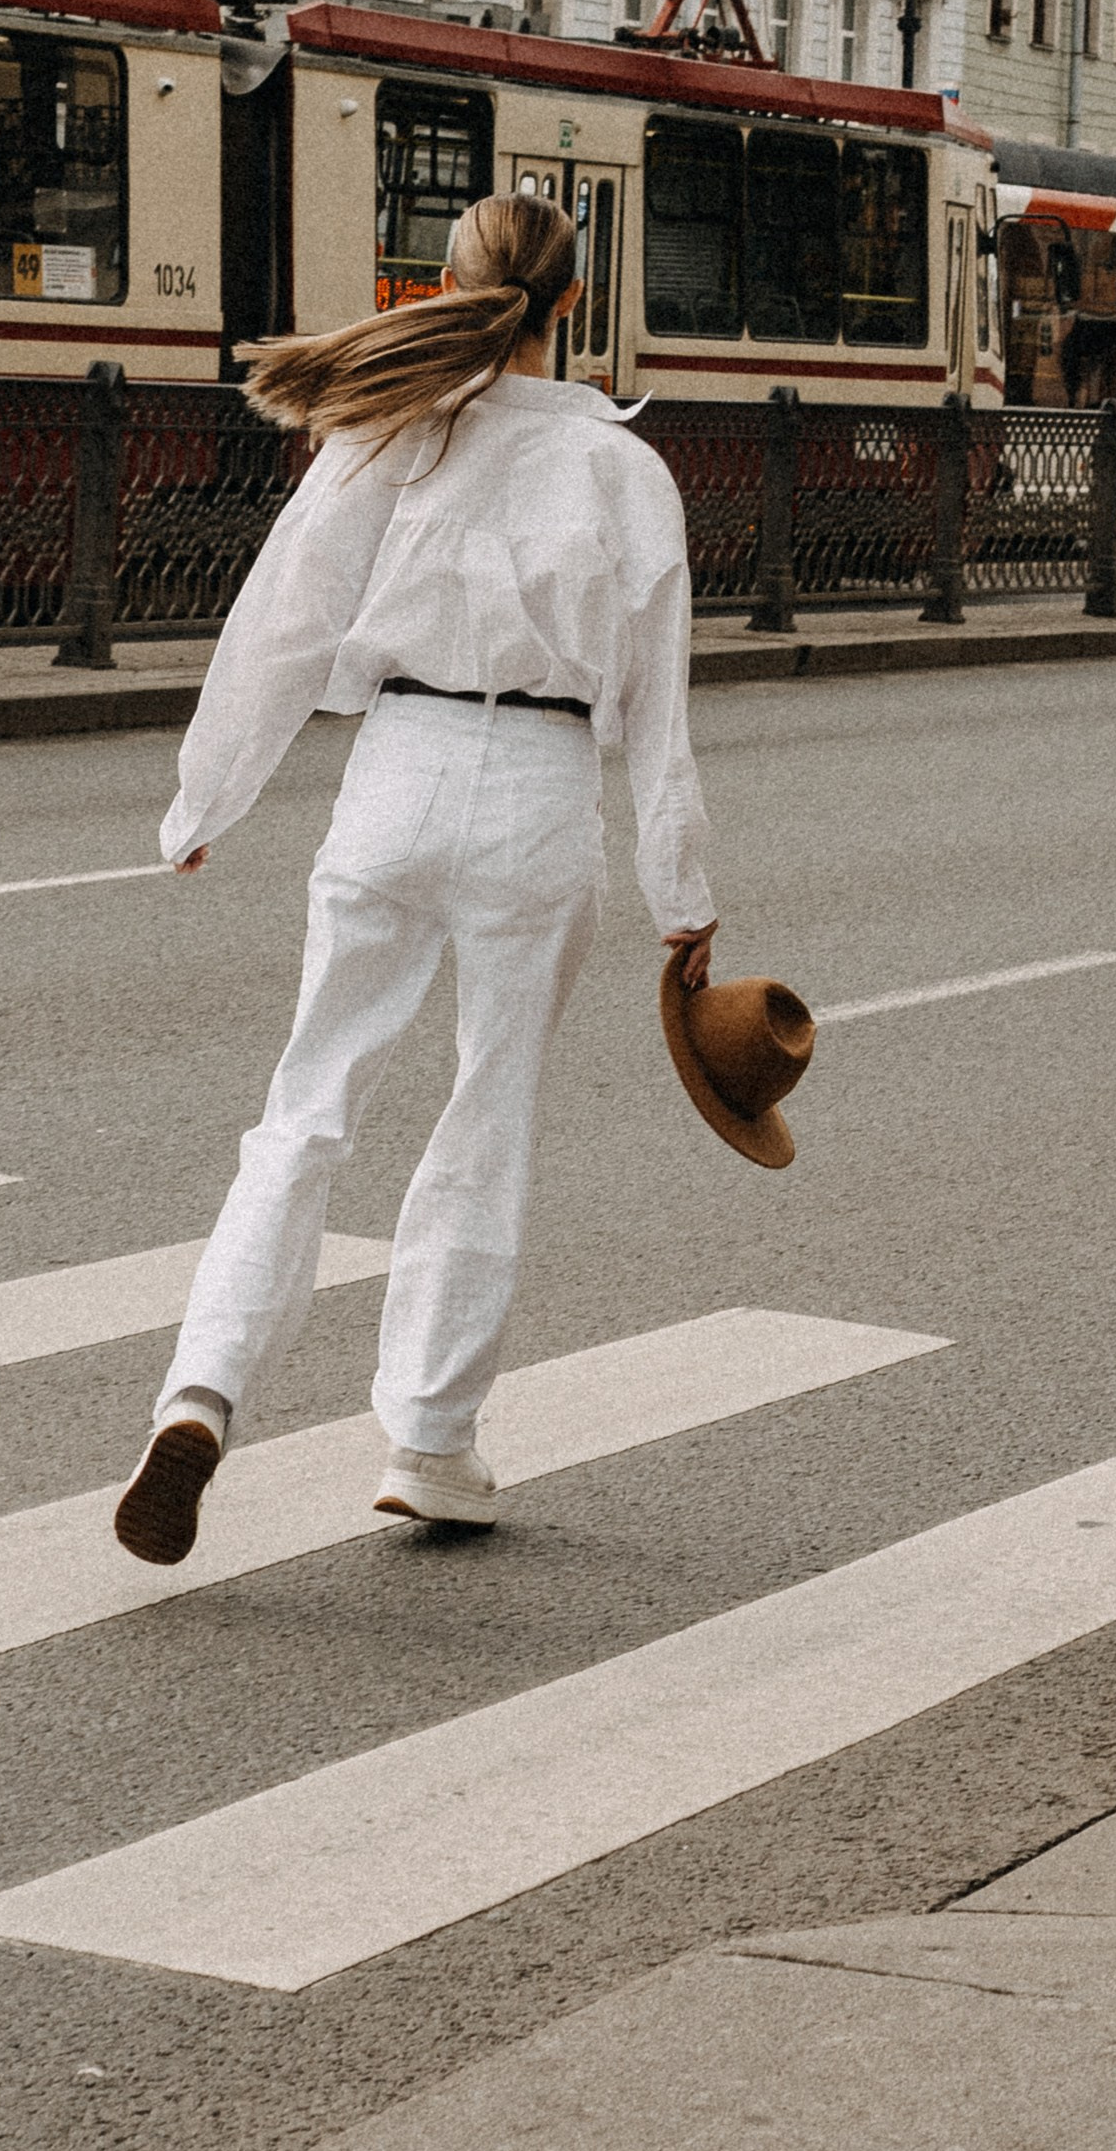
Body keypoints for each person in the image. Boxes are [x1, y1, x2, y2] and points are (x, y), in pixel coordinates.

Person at [113, 187, 717, 1568]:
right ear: (573, 305)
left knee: (306, 1109)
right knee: (485, 1114)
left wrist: (207, 796)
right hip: (542, 791)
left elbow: (283, 621)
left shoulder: (387, 430)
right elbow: (660, 711)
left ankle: (200, 1394)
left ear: (441, 284)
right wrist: (682, 898)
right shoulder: (624, 469)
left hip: (396, 769)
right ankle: (430, 1444)